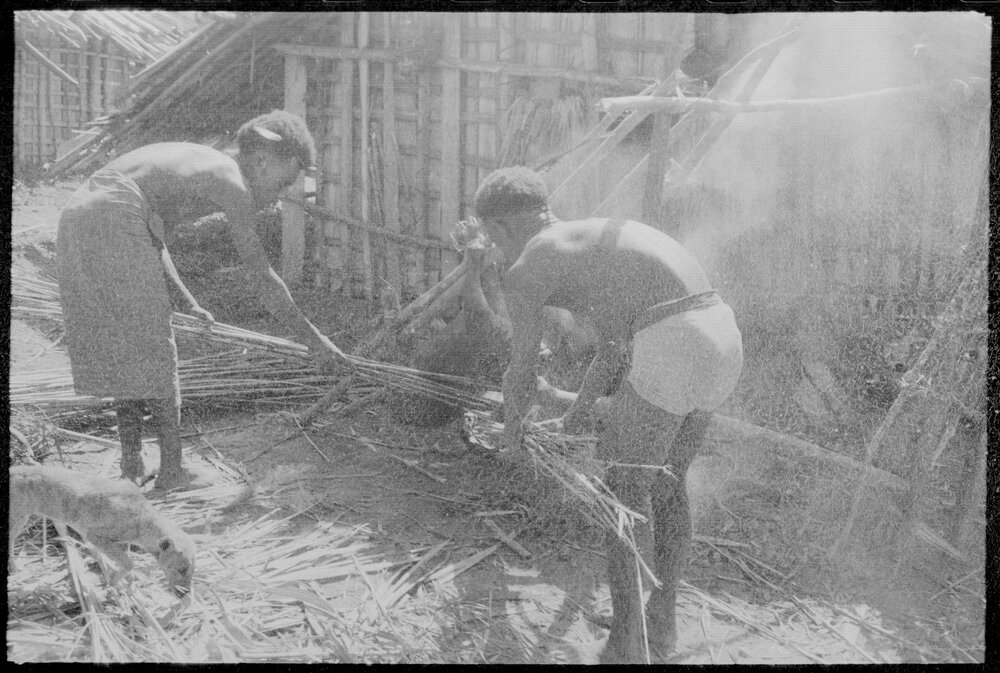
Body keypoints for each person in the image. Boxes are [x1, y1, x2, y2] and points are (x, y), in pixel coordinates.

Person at [473, 167, 743, 664]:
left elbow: (522, 364)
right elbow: (617, 345)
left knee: (620, 494)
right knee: (667, 485)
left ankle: (626, 642)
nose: (495, 251)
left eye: (492, 239)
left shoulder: (531, 262)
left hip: (675, 339)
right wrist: (575, 414)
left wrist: (511, 432)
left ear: (499, 227)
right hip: (721, 336)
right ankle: (660, 621)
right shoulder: (589, 242)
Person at [57, 110, 349, 491]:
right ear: (262, 160)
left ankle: (132, 464)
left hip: (79, 213)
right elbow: (263, 276)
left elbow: (152, 235)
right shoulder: (232, 180)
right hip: (116, 214)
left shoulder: (200, 164)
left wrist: (186, 299)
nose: (281, 194)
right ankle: (174, 471)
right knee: (155, 346)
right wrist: (317, 342)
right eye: (285, 181)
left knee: (128, 342)